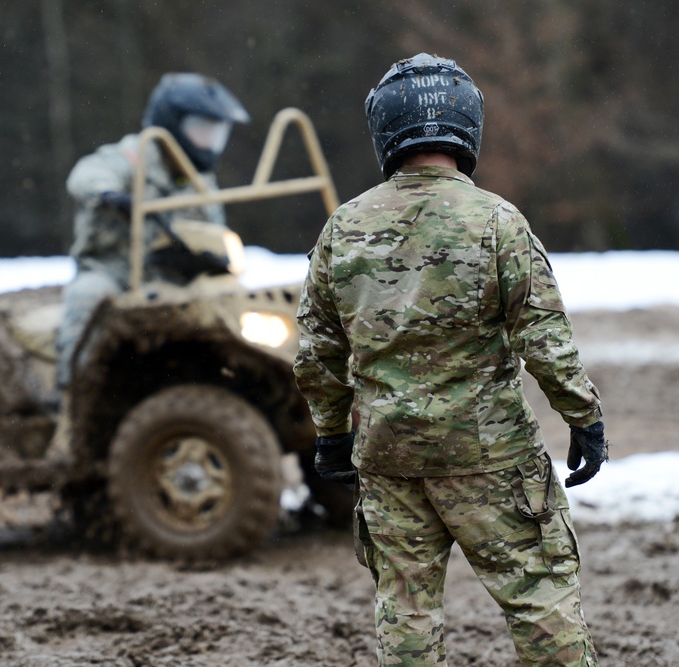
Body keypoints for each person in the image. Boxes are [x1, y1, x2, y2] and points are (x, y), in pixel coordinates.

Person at [293, 53, 608, 666]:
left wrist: (331, 434)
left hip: (389, 455)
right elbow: (543, 335)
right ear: (468, 128)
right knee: (538, 597)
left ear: (385, 131)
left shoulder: (344, 228)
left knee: (405, 609)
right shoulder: (496, 220)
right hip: (489, 453)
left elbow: (317, 353)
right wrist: (583, 417)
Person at [54, 73, 249, 406]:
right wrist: (110, 195)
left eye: (217, 133)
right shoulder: (132, 156)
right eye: (203, 130)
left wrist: (203, 257)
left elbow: (215, 232)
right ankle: (72, 400)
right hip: (115, 272)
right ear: (172, 123)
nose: (210, 142)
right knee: (87, 296)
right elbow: (85, 175)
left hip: (174, 280)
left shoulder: (200, 180)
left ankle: (242, 390)